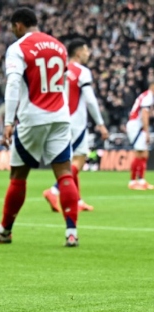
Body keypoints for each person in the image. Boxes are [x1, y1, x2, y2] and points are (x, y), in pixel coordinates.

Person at [0, 7, 80, 247]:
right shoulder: (59, 46)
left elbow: (14, 83)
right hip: (60, 116)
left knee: (18, 176)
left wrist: (7, 121)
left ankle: (4, 230)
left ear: (18, 25)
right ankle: (71, 232)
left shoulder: (17, 48)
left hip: (33, 117)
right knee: (64, 173)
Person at [42, 38, 109, 212]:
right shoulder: (82, 71)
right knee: (79, 159)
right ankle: (54, 189)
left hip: (57, 118)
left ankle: (77, 201)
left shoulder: (60, 69)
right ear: (78, 53)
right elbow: (90, 100)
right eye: (86, 50)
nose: (88, 53)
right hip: (75, 121)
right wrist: (100, 124)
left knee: (69, 160)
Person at [126, 82, 154, 190]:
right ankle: (133, 181)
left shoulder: (147, 96)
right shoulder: (148, 97)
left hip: (136, 125)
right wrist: (146, 132)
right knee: (139, 153)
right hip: (136, 126)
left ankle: (141, 180)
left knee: (144, 154)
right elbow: (144, 114)